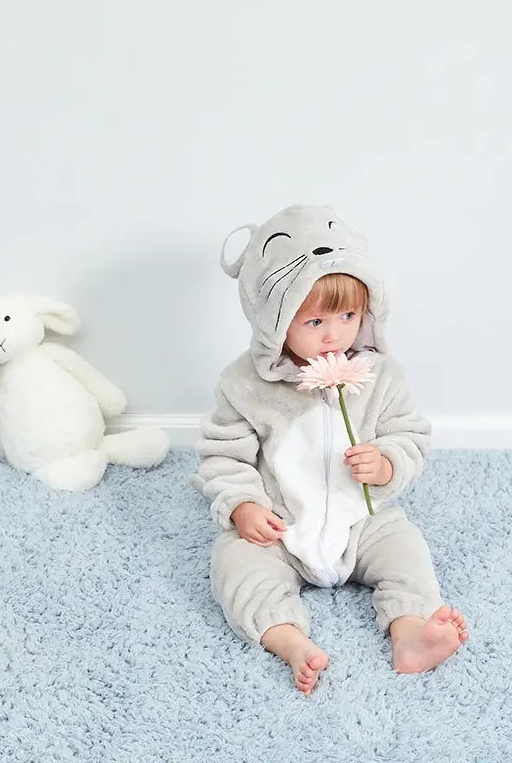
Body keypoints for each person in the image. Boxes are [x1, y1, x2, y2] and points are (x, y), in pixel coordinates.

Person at [191, 204, 468, 695]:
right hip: (280, 528)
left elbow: (409, 433)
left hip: (362, 521)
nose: (334, 334)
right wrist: (243, 506)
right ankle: (289, 640)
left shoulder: (381, 376)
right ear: (275, 320)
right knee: (233, 564)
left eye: (348, 316)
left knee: (406, 551)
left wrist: (386, 462)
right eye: (315, 320)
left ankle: (410, 633)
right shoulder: (243, 385)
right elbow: (224, 455)